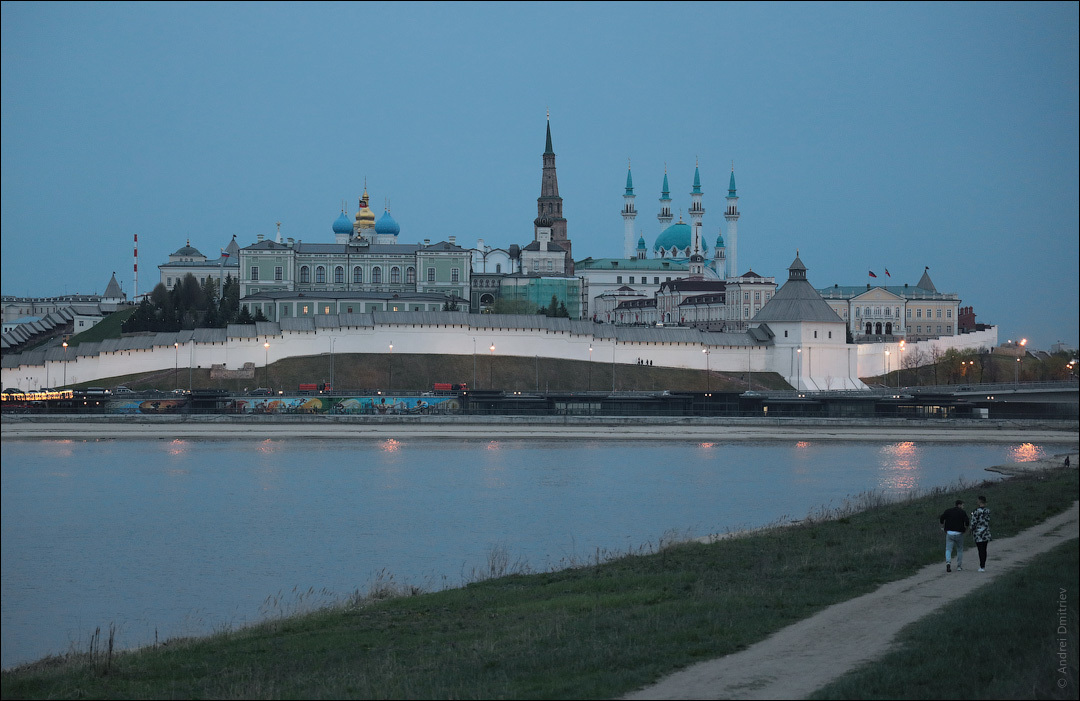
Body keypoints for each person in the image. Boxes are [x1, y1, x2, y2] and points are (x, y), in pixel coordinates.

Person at [939, 499, 969, 572]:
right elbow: (967, 522)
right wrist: (965, 528)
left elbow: (941, 518)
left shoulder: (948, 511)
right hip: (959, 533)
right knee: (959, 549)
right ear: (959, 505)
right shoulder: (962, 512)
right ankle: (959, 566)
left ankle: (948, 562)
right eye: (962, 505)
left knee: (948, 549)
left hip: (949, 533)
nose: (963, 506)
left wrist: (943, 525)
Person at [970, 495, 991, 572]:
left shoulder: (976, 511)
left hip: (978, 533)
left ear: (980, 501)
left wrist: (971, 529)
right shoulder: (988, 511)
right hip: (986, 532)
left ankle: (981, 565)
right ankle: (983, 565)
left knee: (980, 549)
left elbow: (974, 522)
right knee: (984, 549)